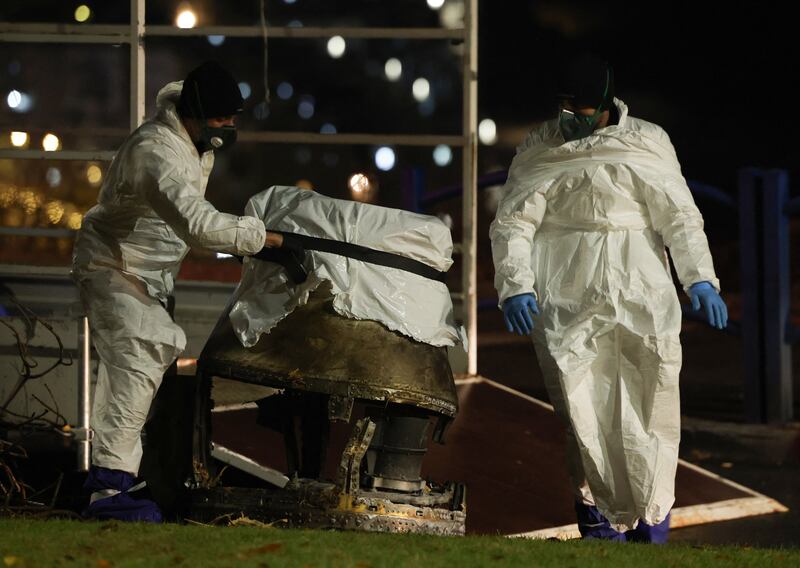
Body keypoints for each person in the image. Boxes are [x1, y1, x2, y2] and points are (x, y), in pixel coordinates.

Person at [489, 54, 728, 543]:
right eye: (566, 107)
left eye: (582, 109)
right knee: (582, 409)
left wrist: (699, 278)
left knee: (653, 398)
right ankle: (598, 522)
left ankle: (653, 517)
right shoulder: (541, 146)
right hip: (566, 291)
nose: (574, 118)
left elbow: (678, 216)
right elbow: (514, 221)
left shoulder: (646, 142)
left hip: (641, 287)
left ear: (605, 104)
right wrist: (515, 284)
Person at [72, 61, 284, 522]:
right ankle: (110, 491)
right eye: (224, 119)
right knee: (138, 361)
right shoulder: (157, 152)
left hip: (138, 272)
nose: (229, 128)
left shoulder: (189, 141)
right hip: (114, 266)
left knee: (132, 371)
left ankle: (113, 479)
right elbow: (198, 224)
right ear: (198, 113)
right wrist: (259, 237)